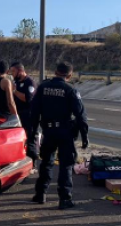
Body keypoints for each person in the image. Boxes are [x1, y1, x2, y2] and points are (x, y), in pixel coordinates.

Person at [28, 61, 89, 209]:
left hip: (48, 131)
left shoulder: (43, 87)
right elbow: (81, 116)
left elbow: (34, 113)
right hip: (65, 132)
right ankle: (64, 198)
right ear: (69, 75)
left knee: (46, 163)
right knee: (66, 165)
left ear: (55, 72)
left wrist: (32, 133)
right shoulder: (70, 90)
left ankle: (40, 194)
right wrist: (84, 136)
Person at [9, 62, 37, 169]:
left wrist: (14, 91)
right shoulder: (15, 82)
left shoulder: (30, 83)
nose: (12, 74)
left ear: (20, 71)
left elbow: (27, 99)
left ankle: (32, 165)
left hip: (28, 116)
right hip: (17, 115)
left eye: (14, 71)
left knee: (30, 140)